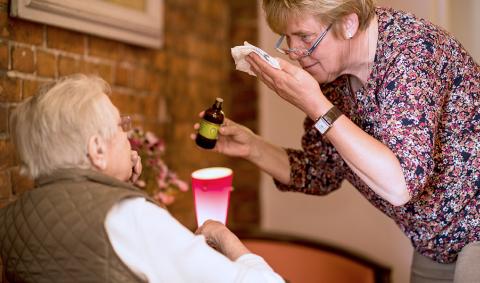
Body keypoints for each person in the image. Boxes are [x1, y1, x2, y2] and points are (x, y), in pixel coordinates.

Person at [193, 0, 480, 282]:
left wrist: (315, 105)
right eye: (287, 38)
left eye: (304, 37)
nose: (294, 52)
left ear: (348, 23)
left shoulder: (412, 51)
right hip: (435, 243)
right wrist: (253, 147)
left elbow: (400, 184)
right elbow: (321, 171)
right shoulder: (333, 81)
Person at [0, 74, 284, 283]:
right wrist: (224, 237)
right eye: (120, 126)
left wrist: (118, 184)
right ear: (97, 149)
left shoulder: (11, 219)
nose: (128, 136)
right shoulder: (128, 215)